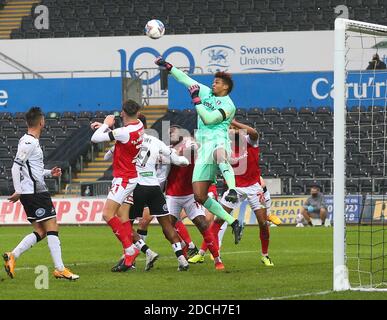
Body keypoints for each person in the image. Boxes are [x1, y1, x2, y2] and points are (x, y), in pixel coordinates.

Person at [155, 57, 243, 244]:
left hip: (218, 139)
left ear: (225, 87)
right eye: (213, 81)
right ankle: (234, 222)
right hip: (203, 146)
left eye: (217, 82)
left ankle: (232, 190)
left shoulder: (228, 105)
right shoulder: (206, 93)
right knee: (200, 195)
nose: (213, 83)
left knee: (220, 155)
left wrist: (196, 100)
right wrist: (169, 67)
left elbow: (210, 119)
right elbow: (185, 79)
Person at [189, 120, 280, 267]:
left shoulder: (249, 140)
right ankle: (201, 254)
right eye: (229, 129)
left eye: (233, 128)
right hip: (235, 188)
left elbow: (254, 132)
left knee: (263, 223)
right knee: (218, 220)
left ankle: (265, 255)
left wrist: (234, 123)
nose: (231, 131)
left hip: (254, 187)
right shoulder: (224, 146)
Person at [3, 107, 79, 280]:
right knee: (52, 227)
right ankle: (59, 268)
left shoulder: (27, 140)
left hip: (31, 192)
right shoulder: (29, 142)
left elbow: (31, 169)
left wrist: (48, 173)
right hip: (35, 193)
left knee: (41, 231)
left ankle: (13, 255)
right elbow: (16, 166)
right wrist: (18, 190)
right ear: (41, 122)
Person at [90, 100, 145, 271]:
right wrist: (106, 127)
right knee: (123, 216)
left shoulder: (123, 132)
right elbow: (120, 133)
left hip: (123, 178)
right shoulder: (139, 125)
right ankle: (131, 253)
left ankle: (130, 250)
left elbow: (95, 138)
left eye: (121, 112)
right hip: (130, 176)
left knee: (107, 214)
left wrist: (106, 124)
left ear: (123, 113)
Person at [164, 125, 224, 270]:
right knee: (168, 228)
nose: (170, 134)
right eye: (169, 133)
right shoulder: (166, 149)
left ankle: (217, 259)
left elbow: (195, 148)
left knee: (203, 225)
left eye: (172, 132)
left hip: (190, 195)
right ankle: (183, 254)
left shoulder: (189, 144)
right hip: (172, 196)